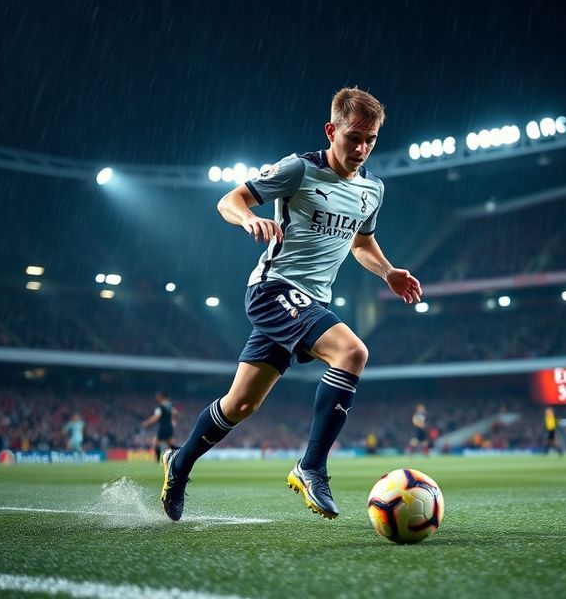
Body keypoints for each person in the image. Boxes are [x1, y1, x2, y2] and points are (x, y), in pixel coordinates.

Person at [160, 87, 422, 522]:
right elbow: (230, 199)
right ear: (330, 130)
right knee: (352, 351)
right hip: (273, 289)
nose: (361, 148)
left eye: (370, 139)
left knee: (240, 404)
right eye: (353, 137)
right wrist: (249, 218)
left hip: (308, 302)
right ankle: (312, 465)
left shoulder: (372, 189)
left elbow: (362, 242)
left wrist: (389, 272)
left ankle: (179, 463)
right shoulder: (299, 169)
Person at [141, 391, 179, 462]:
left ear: (161, 397)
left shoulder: (160, 407)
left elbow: (156, 417)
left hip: (163, 427)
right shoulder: (170, 405)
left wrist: (146, 423)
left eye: (157, 396)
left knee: (156, 442)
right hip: (169, 427)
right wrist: (173, 420)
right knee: (170, 443)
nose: (156, 397)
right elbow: (175, 412)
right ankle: (180, 455)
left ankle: (157, 459)